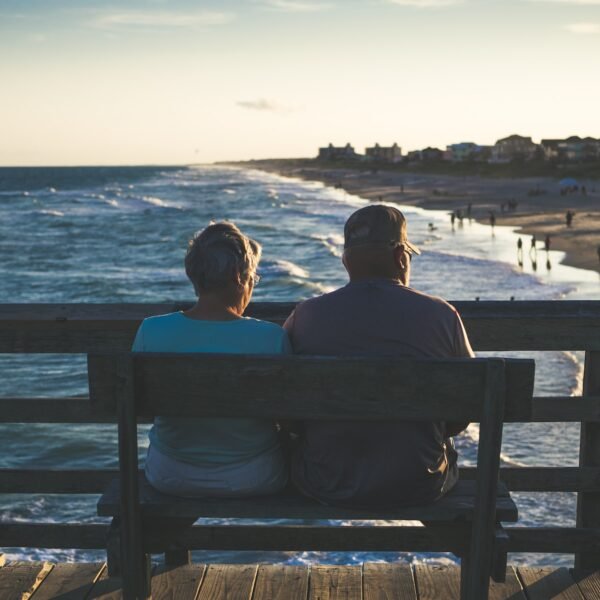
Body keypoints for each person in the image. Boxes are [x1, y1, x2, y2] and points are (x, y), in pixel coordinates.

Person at [284, 205, 474, 509]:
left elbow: (285, 407)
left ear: (346, 261)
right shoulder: (442, 315)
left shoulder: (304, 316)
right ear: (401, 256)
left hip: (327, 481)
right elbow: (466, 407)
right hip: (419, 484)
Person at [133, 222, 289, 497]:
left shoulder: (151, 330)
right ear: (237, 276)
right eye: (253, 277)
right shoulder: (271, 337)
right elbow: (289, 417)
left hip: (169, 475)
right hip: (253, 477)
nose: (252, 285)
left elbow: (141, 409)